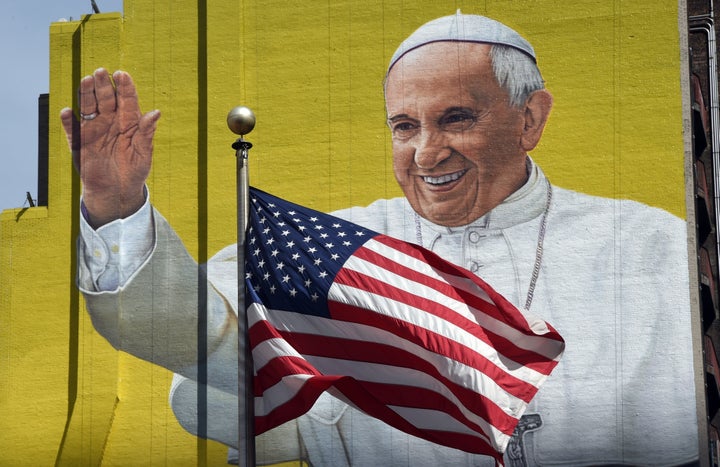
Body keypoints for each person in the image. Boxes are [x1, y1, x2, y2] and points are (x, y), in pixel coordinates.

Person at [62, 12, 699, 466]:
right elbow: (194, 329)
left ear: (529, 118)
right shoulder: (337, 245)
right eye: (404, 126)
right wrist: (116, 206)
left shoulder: (651, 246)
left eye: (457, 119)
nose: (427, 153)